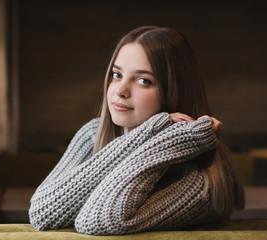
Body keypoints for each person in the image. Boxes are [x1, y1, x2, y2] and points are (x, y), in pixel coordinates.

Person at [29, 26, 245, 235]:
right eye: (116, 75)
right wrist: (147, 132)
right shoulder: (92, 134)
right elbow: (42, 213)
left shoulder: (200, 182)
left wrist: (168, 140)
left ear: (175, 91)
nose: (121, 91)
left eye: (143, 81)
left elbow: (98, 220)